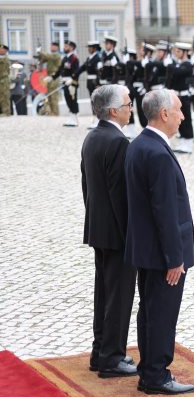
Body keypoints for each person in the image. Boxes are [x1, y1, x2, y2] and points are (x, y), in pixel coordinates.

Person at [125, 89, 194, 395]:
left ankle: (149, 369)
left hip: (146, 248)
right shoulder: (157, 153)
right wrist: (175, 258)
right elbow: (165, 212)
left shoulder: (139, 144)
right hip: (162, 253)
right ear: (164, 113)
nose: (183, 116)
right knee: (162, 314)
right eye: (179, 110)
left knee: (150, 311)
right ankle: (156, 375)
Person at [81, 85, 138, 378]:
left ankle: (100, 351)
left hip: (99, 228)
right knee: (118, 296)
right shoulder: (118, 142)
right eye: (128, 104)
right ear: (114, 111)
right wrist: (131, 236)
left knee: (104, 293)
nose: (131, 109)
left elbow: (87, 187)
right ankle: (112, 357)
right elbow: (121, 195)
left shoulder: (92, 137)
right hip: (117, 234)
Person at [167, 42, 194, 153]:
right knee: (179, 120)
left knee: (186, 119)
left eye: (178, 51)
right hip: (177, 95)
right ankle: (184, 140)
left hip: (184, 96)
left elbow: (179, 72)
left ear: (185, 52)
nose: (176, 53)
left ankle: (189, 142)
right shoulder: (178, 64)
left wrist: (170, 65)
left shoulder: (188, 64)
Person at [53, 41, 82, 127]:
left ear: (71, 48)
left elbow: (76, 72)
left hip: (71, 82)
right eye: (64, 46)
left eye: (66, 46)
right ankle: (71, 117)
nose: (64, 48)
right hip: (65, 82)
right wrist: (53, 77)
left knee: (73, 100)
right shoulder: (65, 58)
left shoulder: (74, 58)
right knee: (67, 100)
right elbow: (60, 70)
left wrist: (73, 82)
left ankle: (75, 118)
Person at [38, 43, 62, 116]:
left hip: (54, 76)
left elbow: (48, 56)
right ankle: (51, 112)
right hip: (49, 76)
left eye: (53, 46)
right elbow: (43, 59)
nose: (51, 47)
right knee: (49, 95)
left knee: (53, 95)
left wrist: (40, 51)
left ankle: (55, 113)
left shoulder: (56, 55)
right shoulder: (51, 55)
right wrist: (40, 55)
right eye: (51, 46)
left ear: (57, 47)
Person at [0, 43, 11, 116]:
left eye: (1, 48)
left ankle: (6, 112)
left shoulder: (5, 59)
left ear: (5, 50)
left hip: (4, 80)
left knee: (5, 96)